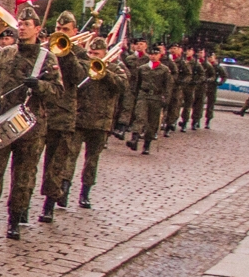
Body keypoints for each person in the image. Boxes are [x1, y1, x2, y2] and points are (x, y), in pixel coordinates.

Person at [0, 5, 62, 242]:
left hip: (31, 126)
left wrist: (39, 86)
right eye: (19, 24)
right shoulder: (6, 53)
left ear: (38, 29)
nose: (21, 28)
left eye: (26, 25)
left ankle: (14, 220)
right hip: (3, 119)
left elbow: (58, 92)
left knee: (23, 176)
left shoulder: (47, 58)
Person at [39, 11, 85, 221]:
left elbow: (78, 78)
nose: (61, 32)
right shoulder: (44, 51)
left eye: (65, 30)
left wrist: (66, 54)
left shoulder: (81, 54)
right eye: (58, 28)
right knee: (30, 162)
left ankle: (48, 205)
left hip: (63, 114)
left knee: (55, 163)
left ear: (75, 31)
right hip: (42, 110)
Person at [75, 37, 127, 208]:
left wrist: (105, 73)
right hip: (80, 117)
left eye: (96, 54)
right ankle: (63, 190)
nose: (92, 56)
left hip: (101, 122)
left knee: (92, 160)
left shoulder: (115, 68)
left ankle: (85, 193)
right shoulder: (83, 65)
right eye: (90, 53)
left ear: (105, 53)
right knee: (68, 157)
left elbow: (123, 86)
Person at [128, 43, 172, 153]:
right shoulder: (142, 68)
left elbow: (168, 87)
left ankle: (147, 144)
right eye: (151, 54)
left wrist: (166, 100)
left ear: (159, 56)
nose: (153, 56)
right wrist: (136, 96)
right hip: (143, 95)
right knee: (139, 116)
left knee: (152, 122)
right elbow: (138, 84)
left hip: (156, 97)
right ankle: (134, 138)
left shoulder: (164, 70)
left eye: (155, 54)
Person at [205, 53, 227, 128]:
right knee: (199, 104)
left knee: (210, 105)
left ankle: (208, 120)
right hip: (203, 86)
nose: (209, 58)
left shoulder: (217, 67)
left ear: (214, 58)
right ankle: (196, 120)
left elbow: (224, 76)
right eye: (208, 57)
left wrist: (220, 82)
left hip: (212, 87)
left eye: (211, 57)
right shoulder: (205, 65)